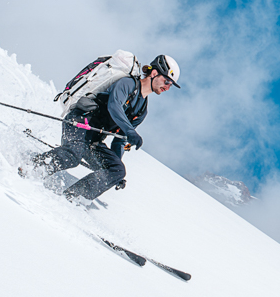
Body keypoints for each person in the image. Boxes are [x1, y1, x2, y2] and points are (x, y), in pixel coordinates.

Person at [24, 54, 181, 201]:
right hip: (79, 122)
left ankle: (72, 198)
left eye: (171, 85)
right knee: (73, 154)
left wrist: (115, 175)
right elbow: (114, 106)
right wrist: (130, 131)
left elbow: (119, 140)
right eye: (167, 81)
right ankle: (30, 168)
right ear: (154, 73)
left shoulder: (141, 110)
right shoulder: (128, 84)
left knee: (117, 170)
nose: (167, 87)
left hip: (93, 140)